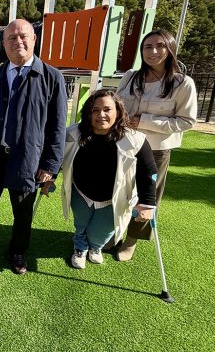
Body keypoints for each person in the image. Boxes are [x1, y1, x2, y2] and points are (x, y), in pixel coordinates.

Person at [0, 19, 67, 275]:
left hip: (27, 159)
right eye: (11, 38)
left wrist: (50, 165)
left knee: (23, 213)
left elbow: (58, 128)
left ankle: (18, 251)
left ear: (34, 39)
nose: (18, 41)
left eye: (23, 36)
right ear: (3, 44)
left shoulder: (52, 78)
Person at [114, 29, 197, 260]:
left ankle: (131, 241)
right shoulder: (131, 76)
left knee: (146, 196)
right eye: (147, 47)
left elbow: (187, 121)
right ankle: (113, 233)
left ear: (170, 49)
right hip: (126, 145)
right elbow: (117, 105)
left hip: (156, 150)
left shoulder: (182, 83)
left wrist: (144, 121)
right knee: (119, 190)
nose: (153, 51)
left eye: (160, 46)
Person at [60, 90, 158, 269]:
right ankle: (80, 246)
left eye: (107, 109)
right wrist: (49, 177)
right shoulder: (73, 133)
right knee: (81, 223)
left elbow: (148, 172)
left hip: (113, 199)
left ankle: (95, 247)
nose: (101, 115)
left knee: (101, 234)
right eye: (95, 110)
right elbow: (57, 157)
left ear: (118, 112)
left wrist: (147, 204)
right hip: (80, 192)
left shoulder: (135, 140)